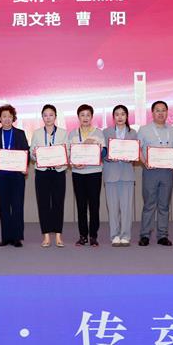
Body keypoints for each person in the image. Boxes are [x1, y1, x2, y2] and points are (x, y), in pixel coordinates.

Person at [137, 101, 173, 247]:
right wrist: (145, 162)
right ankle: (145, 235)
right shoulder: (144, 129)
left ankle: (162, 235)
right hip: (150, 172)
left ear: (167, 112)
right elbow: (138, 149)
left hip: (167, 172)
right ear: (152, 113)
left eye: (163, 110)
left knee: (164, 205)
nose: (161, 113)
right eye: (157, 110)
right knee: (149, 204)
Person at [0, 104, 29, 247]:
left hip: (17, 176)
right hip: (1, 176)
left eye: (9, 117)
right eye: (4, 116)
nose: (7, 119)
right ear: (0, 118)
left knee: (17, 205)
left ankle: (17, 237)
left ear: (13, 118)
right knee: (4, 207)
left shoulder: (20, 133)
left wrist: (24, 166)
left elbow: (26, 152)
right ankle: (6, 237)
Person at [29, 104, 67, 248]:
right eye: (45, 115)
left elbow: (67, 152)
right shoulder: (37, 133)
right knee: (43, 203)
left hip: (58, 172)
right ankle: (45, 236)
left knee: (58, 203)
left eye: (51, 115)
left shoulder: (63, 133)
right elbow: (32, 153)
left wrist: (61, 162)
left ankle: (58, 235)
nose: (48, 118)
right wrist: (34, 154)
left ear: (55, 116)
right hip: (42, 173)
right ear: (42, 117)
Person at [67, 104, 105, 247]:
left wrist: (94, 147)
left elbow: (104, 152)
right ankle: (83, 236)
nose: (85, 118)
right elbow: (69, 154)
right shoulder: (72, 134)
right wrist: (73, 163)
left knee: (94, 205)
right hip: (78, 174)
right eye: (82, 115)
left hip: (94, 173)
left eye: (88, 115)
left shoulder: (98, 133)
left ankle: (93, 236)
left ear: (92, 117)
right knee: (81, 205)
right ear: (78, 117)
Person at [102, 105, 139, 246]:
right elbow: (102, 153)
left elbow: (135, 153)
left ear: (127, 116)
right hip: (111, 174)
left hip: (127, 175)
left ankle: (125, 235)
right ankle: (114, 235)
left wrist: (131, 157)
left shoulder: (133, 133)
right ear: (113, 117)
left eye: (123, 114)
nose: (120, 117)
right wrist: (109, 157)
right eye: (117, 114)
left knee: (126, 208)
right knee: (112, 208)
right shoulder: (106, 132)